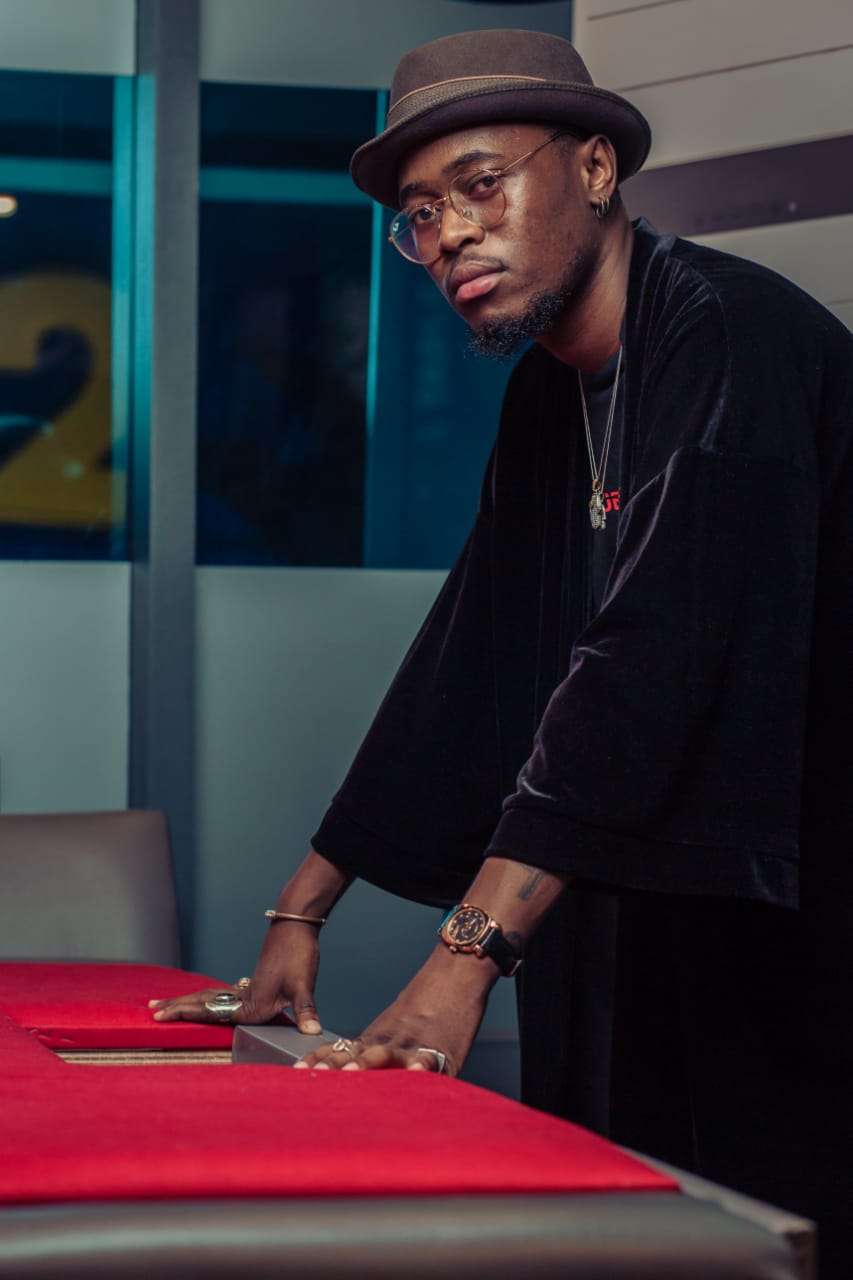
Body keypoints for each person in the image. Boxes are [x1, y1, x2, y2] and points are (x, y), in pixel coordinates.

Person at [152, 30, 852, 1273]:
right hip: (624, 888)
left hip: (789, 895)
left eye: (480, 183)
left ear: (593, 167)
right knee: (612, 1220)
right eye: (421, 214)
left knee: (761, 1226)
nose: (450, 235)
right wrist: (301, 908)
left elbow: (654, 654)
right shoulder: (548, 387)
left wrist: (461, 956)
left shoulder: (728, 332)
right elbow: (476, 647)